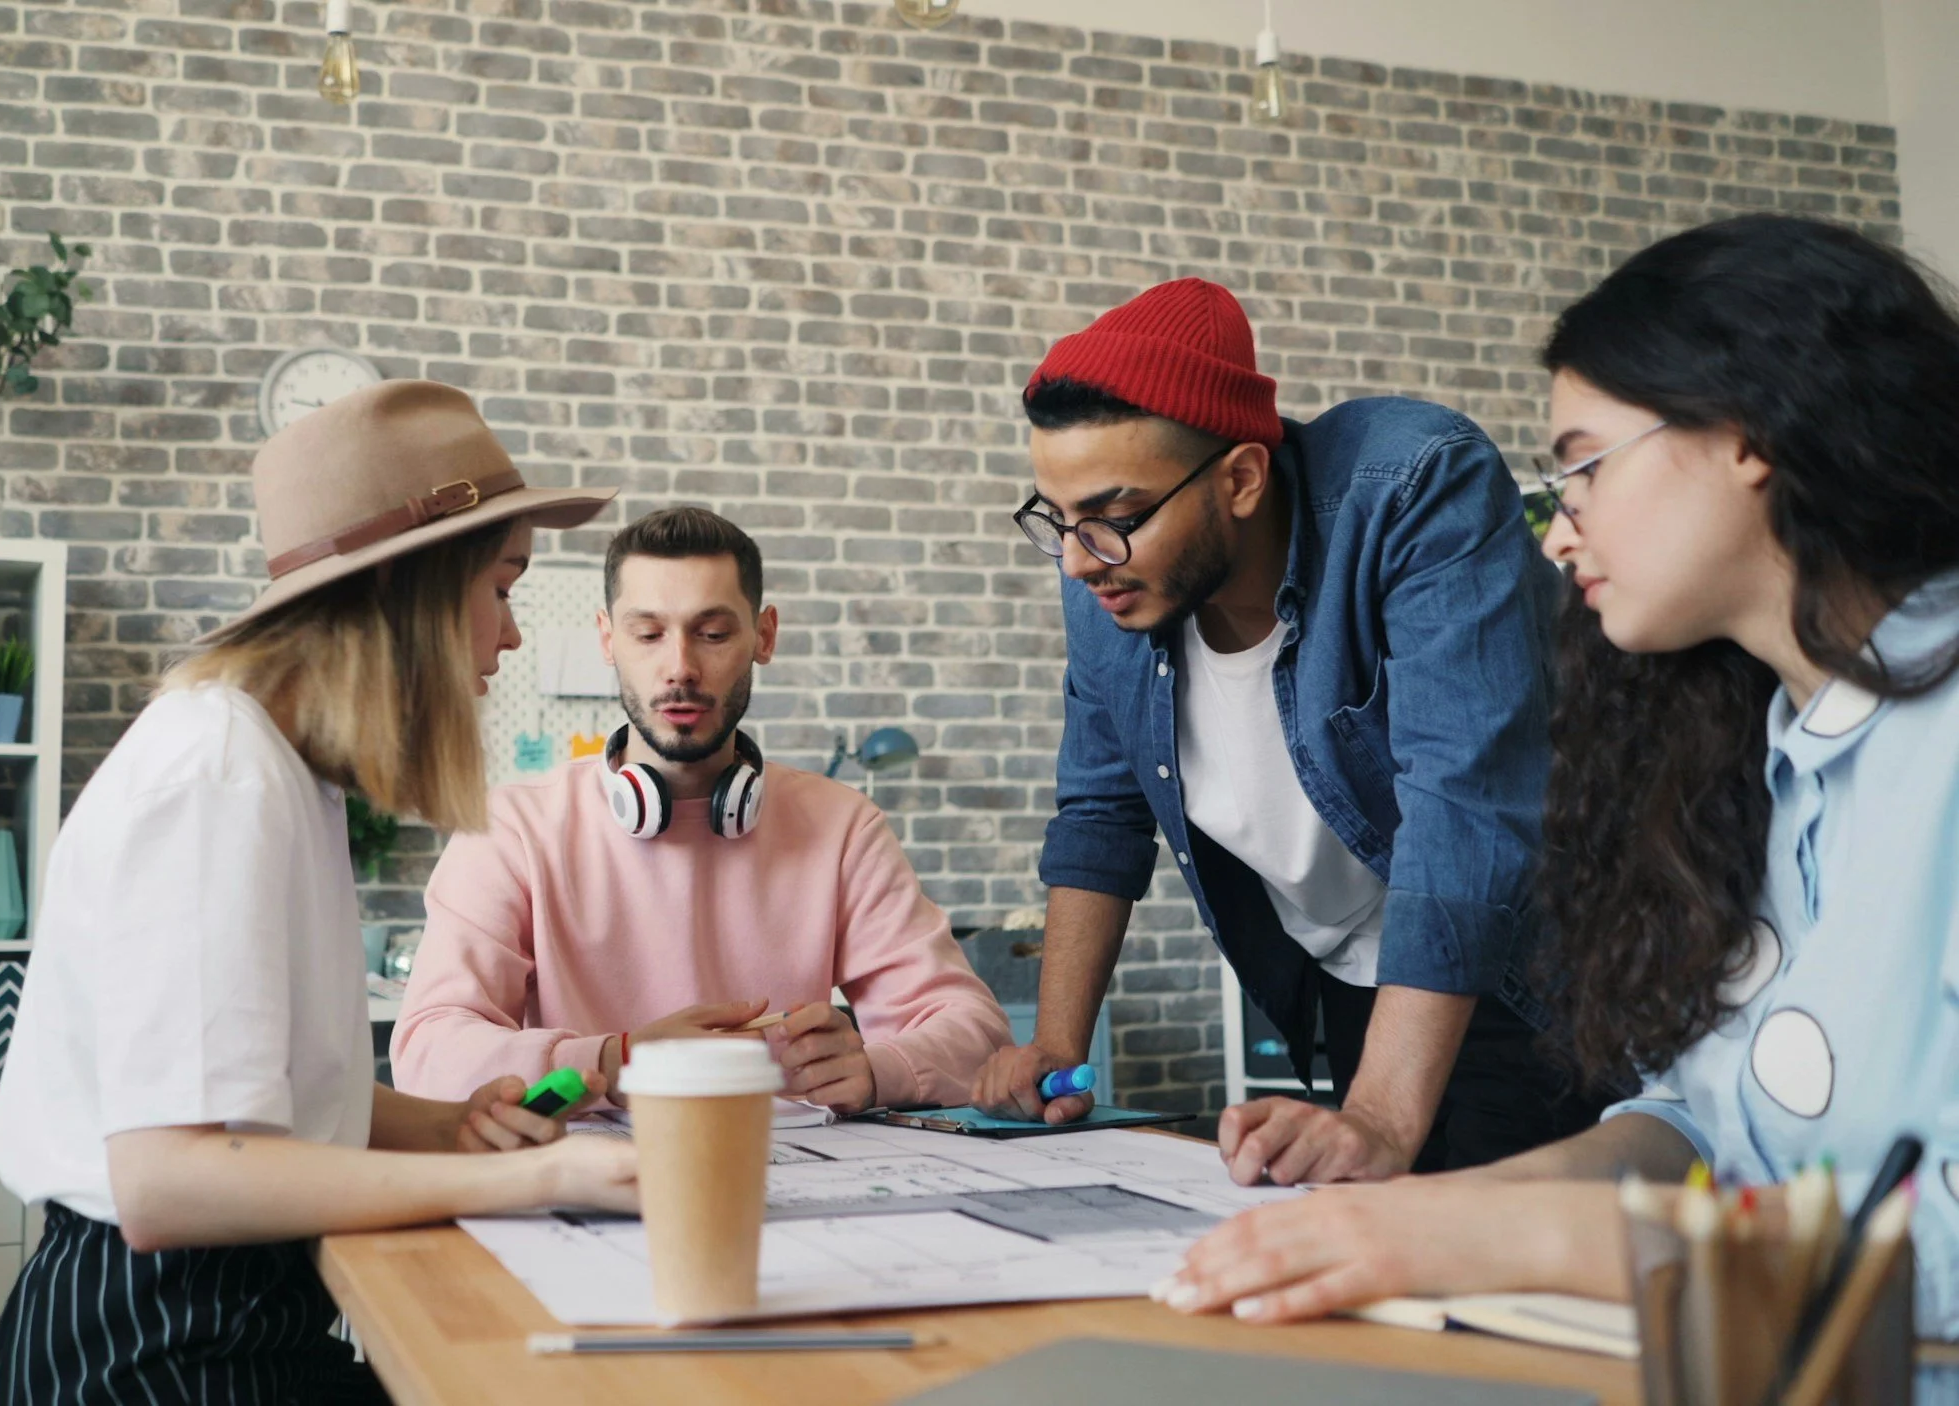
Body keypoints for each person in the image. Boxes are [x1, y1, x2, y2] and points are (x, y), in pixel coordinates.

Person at [1155, 214, 1959, 1344]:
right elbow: (1693, 1123)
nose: (1558, 532)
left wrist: (1496, 1240)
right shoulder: (1761, 751)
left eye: (1583, 466)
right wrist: (1425, 1205)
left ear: (1748, 433)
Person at [0, 381, 638, 1405]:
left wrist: (452, 1123)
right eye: (501, 588)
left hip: (226, 1315)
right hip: (152, 1343)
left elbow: (262, 1101)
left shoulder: (281, 768)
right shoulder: (216, 777)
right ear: (410, 594)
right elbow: (172, 1178)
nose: (507, 638)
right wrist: (526, 1178)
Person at [971, 277, 1604, 1180]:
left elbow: (1464, 811)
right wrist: (1055, 1052)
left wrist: (1382, 1114)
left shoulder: (1415, 487)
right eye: (1060, 521)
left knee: (1502, 1281)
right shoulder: (1112, 582)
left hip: (1535, 972)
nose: (1078, 561)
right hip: (1354, 986)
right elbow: (1100, 816)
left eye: (1112, 519)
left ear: (1239, 478)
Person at [391, 506, 1009, 1113]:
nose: (680, 668)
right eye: (648, 634)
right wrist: (618, 1060)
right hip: (586, 1184)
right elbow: (428, 1053)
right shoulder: (511, 830)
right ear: (608, 639)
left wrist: (878, 1069)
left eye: (713, 634)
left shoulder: (842, 827)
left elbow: (975, 1029)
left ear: (763, 635)